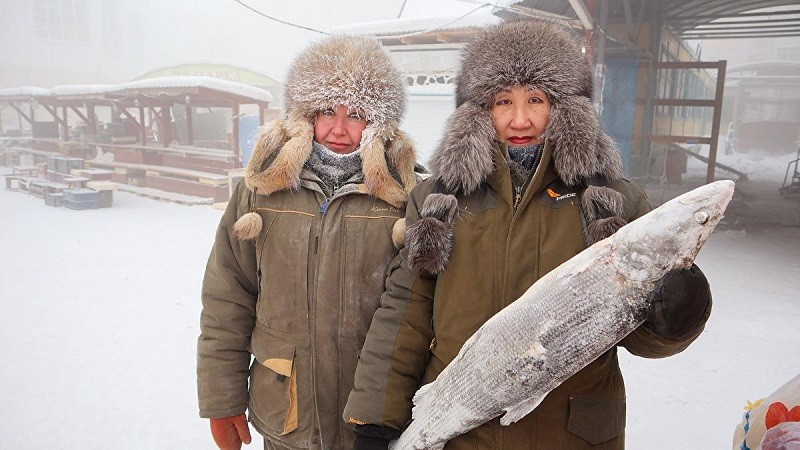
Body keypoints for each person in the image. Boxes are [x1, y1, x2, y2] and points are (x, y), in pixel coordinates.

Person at [344, 19, 712, 450]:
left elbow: (636, 336)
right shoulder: (438, 200)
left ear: (564, 108)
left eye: (535, 99)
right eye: (503, 101)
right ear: (479, 112)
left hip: (571, 435)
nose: (520, 119)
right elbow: (404, 313)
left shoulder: (615, 202)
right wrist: (374, 421)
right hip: (464, 433)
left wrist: (675, 317)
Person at [197, 35, 418, 450]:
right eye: (325, 112)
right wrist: (221, 399)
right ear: (304, 115)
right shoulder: (260, 193)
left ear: (379, 122)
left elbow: (419, 316)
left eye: (355, 114)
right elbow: (228, 297)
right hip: (286, 417)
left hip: (373, 423)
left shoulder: (405, 199)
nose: (338, 128)